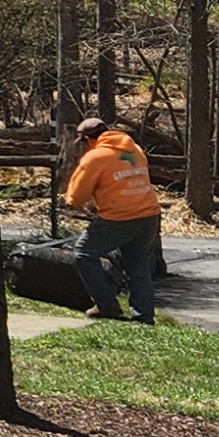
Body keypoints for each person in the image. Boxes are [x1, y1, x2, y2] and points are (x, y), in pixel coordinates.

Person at [64, 115, 166, 323]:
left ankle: (107, 306)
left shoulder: (96, 157)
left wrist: (73, 203)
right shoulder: (134, 150)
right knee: (138, 267)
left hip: (119, 218)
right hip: (149, 215)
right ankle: (143, 316)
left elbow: (77, 195)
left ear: (88, 140)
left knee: (83, 254)